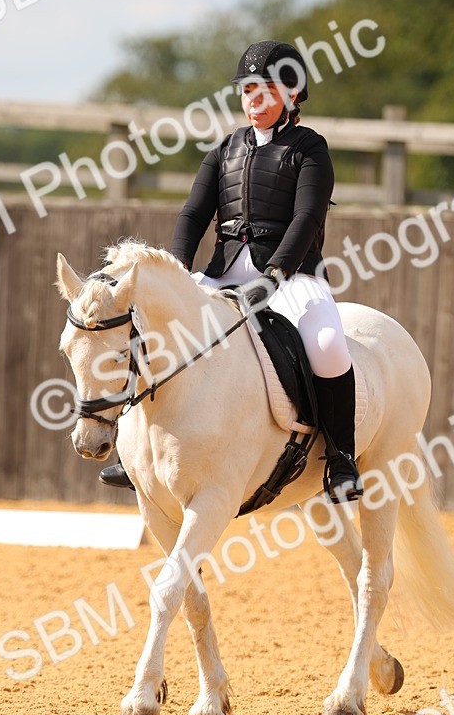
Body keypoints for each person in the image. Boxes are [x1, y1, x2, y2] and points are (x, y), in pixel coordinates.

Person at [100, 39, 363, 503]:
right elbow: (193, 213)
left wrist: (278, 271)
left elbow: (307, 218)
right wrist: (179, 266)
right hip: (223, 272)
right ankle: (130, 445)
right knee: (154, 329)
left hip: (292, 275)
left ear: (292, 94)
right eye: (247, 91)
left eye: (266, 90)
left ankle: (342, 458)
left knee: (327, 346)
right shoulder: (224, 149)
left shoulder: (311, 149)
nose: (255, 100)